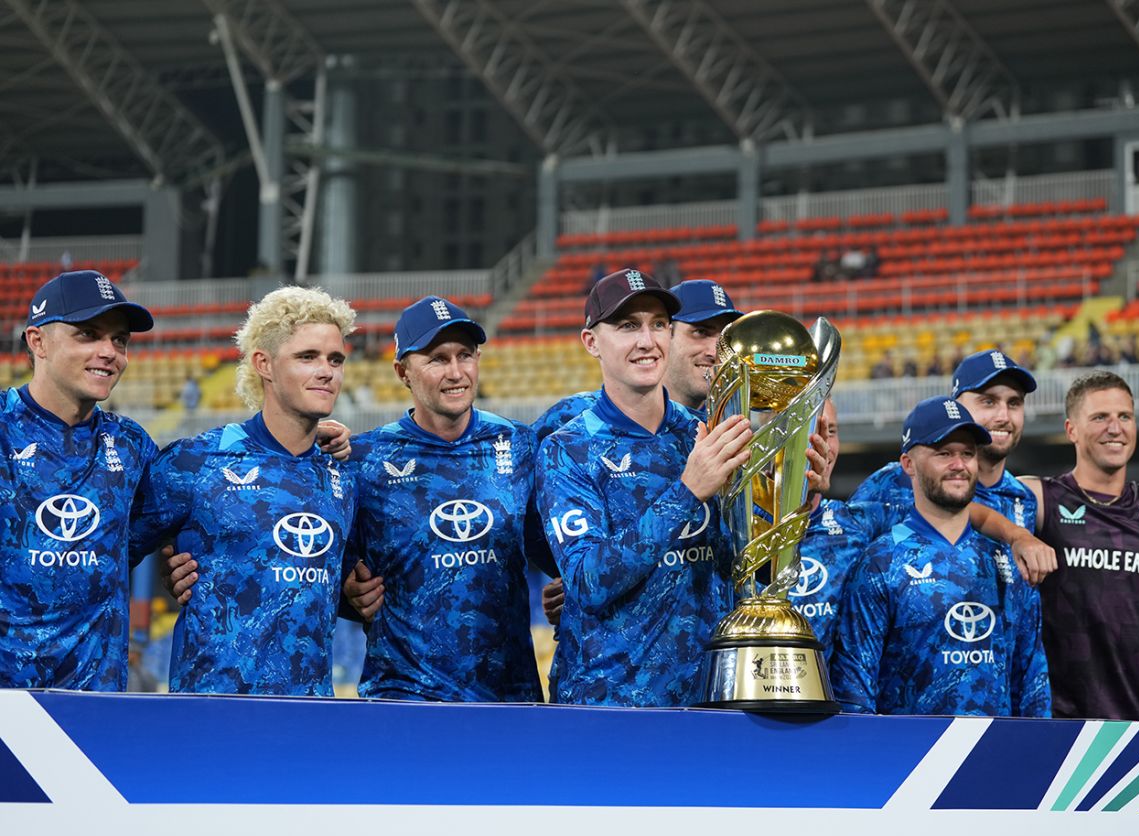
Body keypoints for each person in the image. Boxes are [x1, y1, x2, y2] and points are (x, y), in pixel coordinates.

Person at [536, 270, 830, 707]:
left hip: (714, 695)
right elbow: (588, 582)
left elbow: (751, 572)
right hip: (610, 704)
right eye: (628, 326)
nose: (646, 340)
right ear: (591, 342)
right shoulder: (568, 447)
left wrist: (797, 503)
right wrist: (687, 491)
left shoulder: (707, 434)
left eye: (658, 325)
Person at [130, 287, 357, 696]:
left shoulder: (343, 474)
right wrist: (168, 569)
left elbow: (350, 584)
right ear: (263, 363)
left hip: (313, 713)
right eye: (308, 357)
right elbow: (110, 552)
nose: (327, 371)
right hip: (210, 713)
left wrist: (358, 598)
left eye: (335, 359)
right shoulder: (196, 461)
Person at [340, 296, 541, 702]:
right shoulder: (364, 459)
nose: (456, 372)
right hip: (403, 699)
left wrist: (567, 590)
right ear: (403, 372)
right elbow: (322, 570)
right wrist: (347, 595)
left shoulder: (521, 445)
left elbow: (559, 552)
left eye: (465, 355)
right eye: (437, 359)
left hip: (508, 699)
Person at [828, 396, 1050, 717]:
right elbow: (855, 690)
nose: (959, 465)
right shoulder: (881, 561)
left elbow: (1032, 683)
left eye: (967, 454)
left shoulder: (1008, 562)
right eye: (944, 453)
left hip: (996, 747)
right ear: (908, 464)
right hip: (913, 749)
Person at [0, 270, 157, 691]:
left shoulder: (133, 446)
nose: (109, 352)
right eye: (88, 334)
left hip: (96, 709)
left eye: (119, 340)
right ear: (38, 342)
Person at [1019, 371, 1139, 720]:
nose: (1115, 428)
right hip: (1062, 721)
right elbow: (968, 497)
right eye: (1100, 417)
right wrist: (1016, 534)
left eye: (1124, 416)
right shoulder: (1041, 497)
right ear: (1071, 430)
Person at [530, 276, 744, 445]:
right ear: (668, 335)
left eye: (726, 337)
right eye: (700, 332)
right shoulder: (571, 414)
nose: (716, 351)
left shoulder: (725, 429)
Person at [853, 349, 1041, 534]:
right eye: (988, 402)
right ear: (957, 406)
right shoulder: (895, 481)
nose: (1004, 417)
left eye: (1014, 403)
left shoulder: (1024, 499)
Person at [795, 398, 891, 652]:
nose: (825, 445)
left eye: (831, 431)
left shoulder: (857, 526)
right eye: (811, 430)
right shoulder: (740, 528)